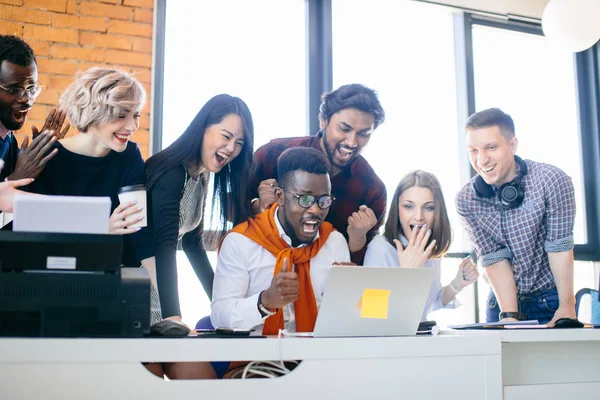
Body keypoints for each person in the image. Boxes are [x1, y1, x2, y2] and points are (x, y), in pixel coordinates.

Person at [28, 67, 154, 304]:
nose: (132, 125)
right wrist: (100, 227)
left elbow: (142, 235)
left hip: (116, 289)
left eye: (135, 114)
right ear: (93, 111)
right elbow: (40, 243)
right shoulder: (51, 158)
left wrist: (172, 311)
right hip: (59, 292)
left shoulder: (130, 156)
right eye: (121, 114)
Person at [456, 108, 576, 326]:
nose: (481, 160)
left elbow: (559, 248)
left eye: (491, 147)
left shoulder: (552, 180)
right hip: (500, 304)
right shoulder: (467, 199)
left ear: (513, 145)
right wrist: (510, 317)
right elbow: (494, 259)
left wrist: (567, 306)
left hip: (551, 300)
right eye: (473, 150)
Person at [212, 147, 351, 333]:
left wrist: (351, 295)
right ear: (280, 196)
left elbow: (343, 322)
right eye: (305, 199)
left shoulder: (334, 242)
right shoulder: (241, 241)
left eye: (323, 200)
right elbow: (219, 317)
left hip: (318, 356)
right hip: (257, 358)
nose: (316, 210)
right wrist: (265, 301)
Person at [145, 94, 255, 324]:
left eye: (239, 143)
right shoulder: (172, 172)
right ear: (203, 127)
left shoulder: (200, 174)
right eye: (226, 136)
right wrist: (173, 315)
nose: (231, 148)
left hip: (158, 291)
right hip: (139, 290)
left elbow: (192, 243)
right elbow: (163, 245)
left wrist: (223, 303)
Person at [249, 83, 386, 265]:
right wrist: (257, 206)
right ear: (323, 121)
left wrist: (358, 239)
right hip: (262, 273)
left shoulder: (372, 190)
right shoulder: (272, 155)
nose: (352, 142)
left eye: (363, 133)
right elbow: (232, 212)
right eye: (344, 129)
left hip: (325, 287)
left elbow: (364, 266)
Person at [364, 170, 478, 321]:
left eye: (428, 207)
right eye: (408, 206)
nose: (419, 216)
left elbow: (430, 303)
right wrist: (407, 274)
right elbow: (372, 313)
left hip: (421, 339)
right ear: (397, 210)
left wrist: (457, 284)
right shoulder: (380, 249)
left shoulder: (430, 251)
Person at [0, 35, 69, 183]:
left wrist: (41, 153)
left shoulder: (8, 139)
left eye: (31, 89)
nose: (26, 99)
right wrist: (18, 178)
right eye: (14, 89)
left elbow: (25, 197)